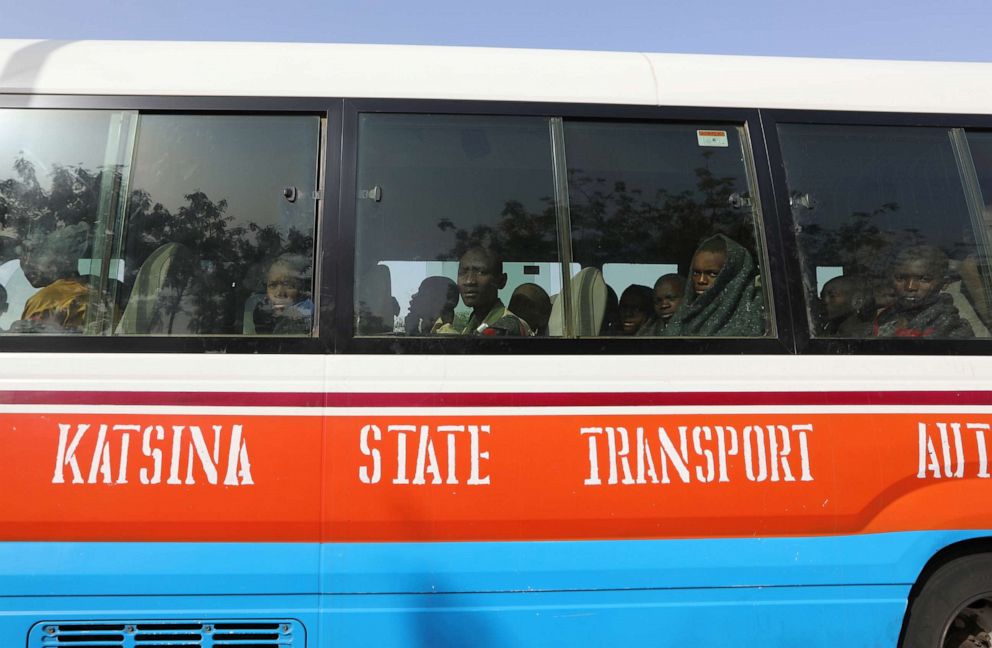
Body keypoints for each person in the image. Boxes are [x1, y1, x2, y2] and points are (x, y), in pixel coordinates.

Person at [662, 234, 765, 337]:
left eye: (712, 274)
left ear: (731, 275)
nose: (701, 280)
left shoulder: (754, 316)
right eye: (696, 273)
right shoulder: (682, 317)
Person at [873, 245, 973, 338]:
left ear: (944, 283)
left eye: (924, 279)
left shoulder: (950, 327)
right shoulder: (884, 317)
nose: (910, 287)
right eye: (901, 278)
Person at [12, 223, 91, 334]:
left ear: (64, 260)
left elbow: (29, 346)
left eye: (42, 254)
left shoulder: (46, 299)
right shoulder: (97, 290)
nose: (28, 263)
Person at [434, 246, 530, 336]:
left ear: (501, 281)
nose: (469, 281)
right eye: (463, 273)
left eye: (481, 272)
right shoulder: (474, 321)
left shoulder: (508, 327)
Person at [252, 254, 314, 335]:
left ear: (300, 288)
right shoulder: (261, 311)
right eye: (273, 285)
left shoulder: (311, 314)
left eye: (287, 284)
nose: (279, 293)